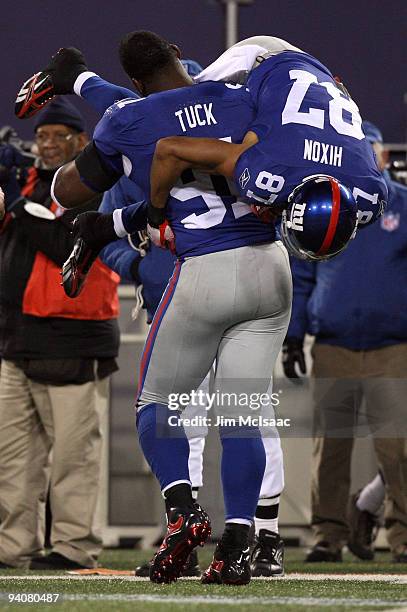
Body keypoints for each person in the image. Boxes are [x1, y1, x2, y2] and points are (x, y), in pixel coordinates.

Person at [0, 98, 120, 570]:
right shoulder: (30, 183)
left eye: (59, 136)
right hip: (16, 340)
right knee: (14, 461)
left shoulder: (96, 184)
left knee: (73, 459)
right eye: (42, 135)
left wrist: (20, 201)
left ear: (81, 141)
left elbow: (63, 243)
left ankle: (73, 547)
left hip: (73, 339)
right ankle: (13, 549)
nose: (47, 144)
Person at [282, 121, 407, 564]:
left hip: (391, 346)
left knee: (397, 448)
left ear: (384, 157)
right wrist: (293, 336)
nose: (362, 156)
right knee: (330, 447)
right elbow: (303, 273)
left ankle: (401, 537)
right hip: (333, 343)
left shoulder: (403, 206)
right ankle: (328, 536)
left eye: (368, 148)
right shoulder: (326, 203)